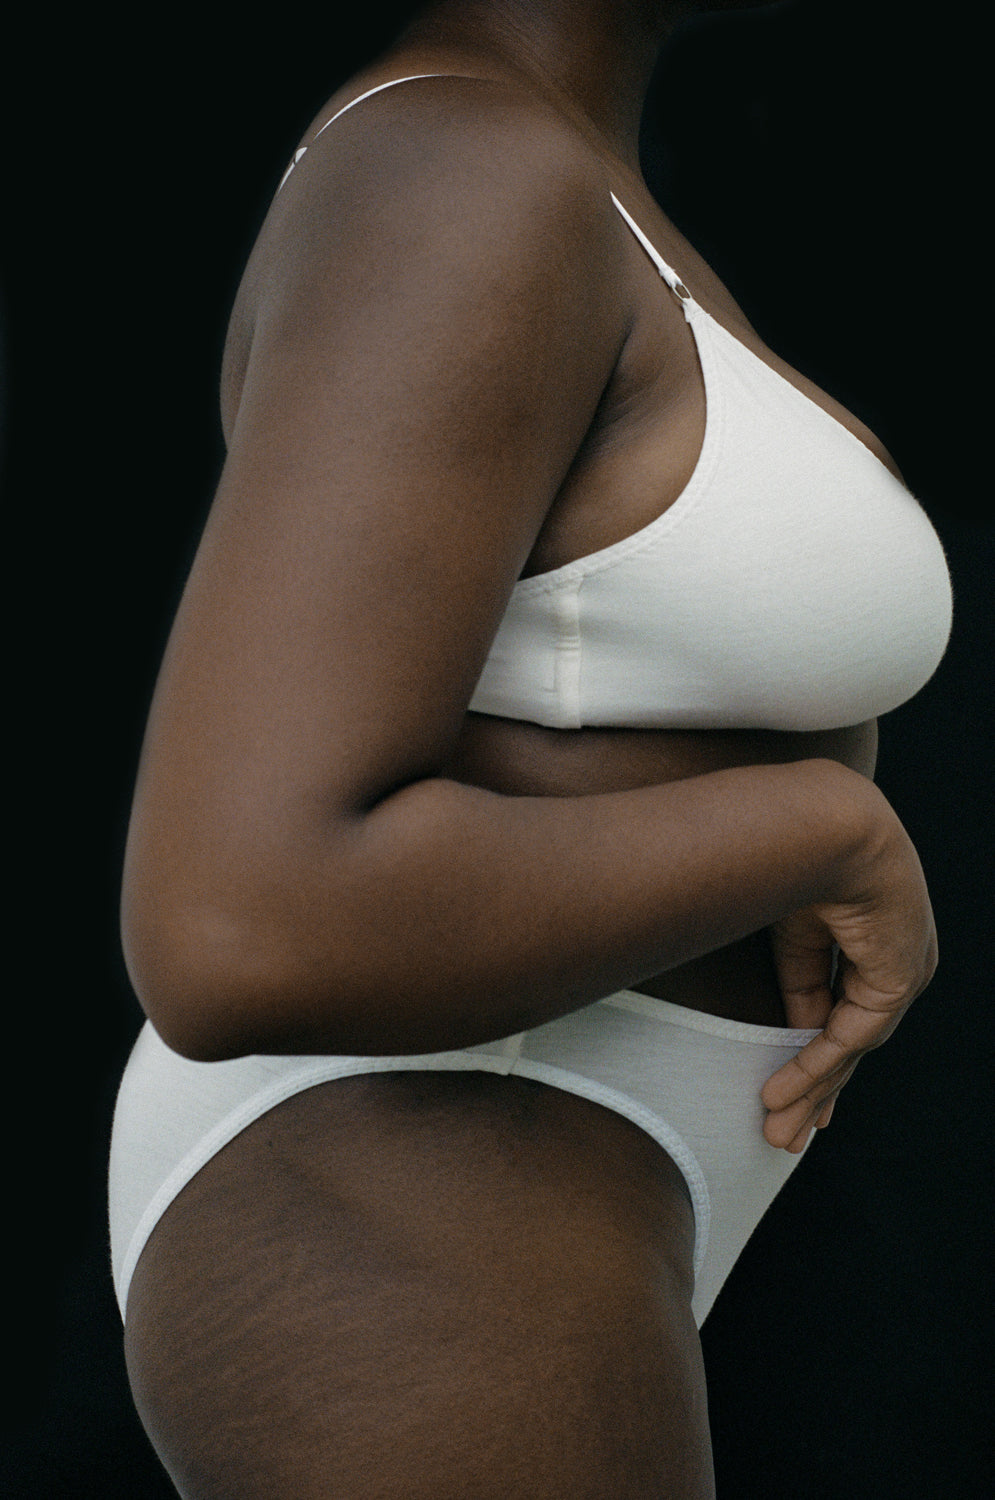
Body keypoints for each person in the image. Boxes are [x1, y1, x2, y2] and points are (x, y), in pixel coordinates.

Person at [108, 1, 953, 1495]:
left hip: (545, 1154)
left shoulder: (560, 179)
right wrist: (823, 829)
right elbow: (239, 923)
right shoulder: (458, 171)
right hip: (425, 1151)